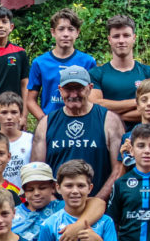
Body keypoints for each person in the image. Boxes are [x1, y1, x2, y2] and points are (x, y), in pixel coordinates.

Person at [30, 66, 124, 201]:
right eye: (68, 89)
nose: (73, 95)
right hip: (57, 208)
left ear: (90, 88)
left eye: (79, 88)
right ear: (60, 90)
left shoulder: (109, 120)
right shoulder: (46, 123)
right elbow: (37, 171)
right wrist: (57, 205)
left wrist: (97, 202)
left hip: (99, 206)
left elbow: (119, 169)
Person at [88, 15, 150, 131]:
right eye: (116, 36)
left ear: (134, 38)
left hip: (145, 139)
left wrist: (113, 115)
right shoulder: (96, 74)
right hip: (107, 137)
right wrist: (137, 101)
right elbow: (96, 106)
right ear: (109, 40)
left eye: (126, 35)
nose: (121, 41)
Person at [26, 8, 96, 120]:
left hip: (80, 121)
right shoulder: (39, 63)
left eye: (70, 29)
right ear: (53, 32)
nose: (66, 34)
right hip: (52, 122)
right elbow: (30, 100)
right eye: (61, 29)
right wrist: (45, 120)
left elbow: (93, 97)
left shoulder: (88, 62)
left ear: (77, 32)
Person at [0, 92, 32, 189]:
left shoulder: (31, 140)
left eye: (14, 112)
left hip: (25, 197)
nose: (9, 117)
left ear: (20, 115)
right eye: (4, 112)